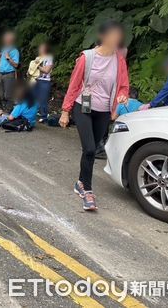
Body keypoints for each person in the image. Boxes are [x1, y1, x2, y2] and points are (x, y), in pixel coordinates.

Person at [60, 20, 129, 211]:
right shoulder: (87, 58)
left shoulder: (119, 60)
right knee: (90, 149)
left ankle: (80, 182)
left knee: (93, 148)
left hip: (104, 110)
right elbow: (74, 85)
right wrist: (65, 111)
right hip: (83, 106)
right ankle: (87, 191)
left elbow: (123, 84)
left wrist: (122, 96)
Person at [30, 43, 54, 123]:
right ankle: (33, 114)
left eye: (42, 48)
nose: (40, 49)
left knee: (43, 99)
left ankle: (44, 117)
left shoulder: (49, 58)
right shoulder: (38, 58)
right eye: (40, 48)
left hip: (45, 81)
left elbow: (46, 70)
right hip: (35, 79)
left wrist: (37, 66)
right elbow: (33, 69)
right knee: (33, 97)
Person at [0, 31, 20, 111]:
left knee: (8, 95)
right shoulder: (4, 49)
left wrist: (8, 58)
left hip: (9, 74)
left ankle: (9, 110)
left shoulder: (14, 51)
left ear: (10, 40)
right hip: (1, 74)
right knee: (1, 94)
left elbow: (16, 65)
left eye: (6, 38)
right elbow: (3, 61)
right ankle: (4, 109)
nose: (4, 40)